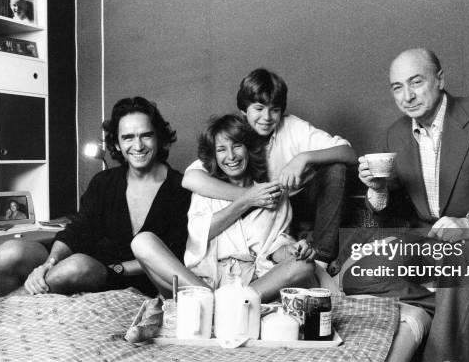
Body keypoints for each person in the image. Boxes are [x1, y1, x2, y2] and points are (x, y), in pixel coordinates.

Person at [354, 48, 469, 362]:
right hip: (431, 240)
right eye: (397, 87)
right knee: (361, 273)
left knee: (458, 265)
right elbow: (397, 203)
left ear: (440, 79)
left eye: (416, 82)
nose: (407, 96)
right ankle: (466, 317)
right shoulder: (396, 133)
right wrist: (378, 191)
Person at [0, 96, 191, 296]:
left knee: (76, 265)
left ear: (159, 137)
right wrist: (47, 264)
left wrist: (116, 269)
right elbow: (78, 230)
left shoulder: (179, 188)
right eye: (128, 137)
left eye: (146, 135)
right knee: (8, 254)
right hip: (87, 259)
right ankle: (20, 318)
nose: (138, 146)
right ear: (118, 144)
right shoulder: (104, 182)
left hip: (127, 274)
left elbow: (174, 255)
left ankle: (2, 311)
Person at [132, 114, 330, 303]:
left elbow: (275, 248)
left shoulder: (273, 193)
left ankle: (226, 306)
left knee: (304, 265)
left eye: (237, 145)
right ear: (213, 155)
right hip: (202, 284)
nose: (230, 156)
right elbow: (200, 233)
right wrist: (246, 200)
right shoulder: (204, 190)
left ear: (249, 149)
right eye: (221, 149)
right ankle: (213, 302)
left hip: (255, 287)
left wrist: (294, 250)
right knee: (142, 242)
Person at [183, 68, 357, 271]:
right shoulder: (235, 136)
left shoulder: (293, 128)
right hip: (261, 209)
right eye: (258, 108)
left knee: (336, 169)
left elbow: (350, 154)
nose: (266, 117)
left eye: (274, 109)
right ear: (243, 111)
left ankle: (320, 261)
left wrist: (304, 158)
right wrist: (252, 196)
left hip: (296, 200)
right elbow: (190, 179)